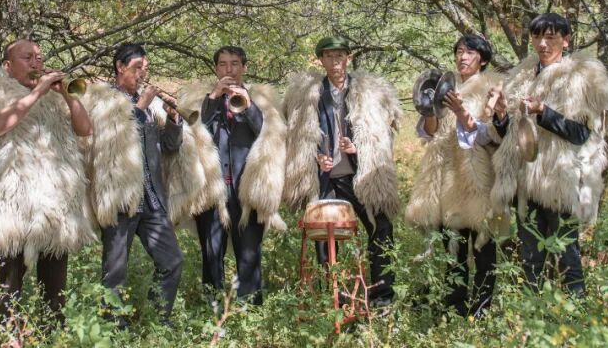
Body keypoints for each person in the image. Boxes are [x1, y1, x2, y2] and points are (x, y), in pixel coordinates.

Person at [0, 40, 95, 328]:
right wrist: (37, 92)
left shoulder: (54, 99)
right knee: (7, 285)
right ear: (8, 66)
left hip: (53, 203)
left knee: (55, 286)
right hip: (10, 203)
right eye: (27, 57)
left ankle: (52, 333)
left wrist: (67, 96)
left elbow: (85, 129)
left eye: (39, 58)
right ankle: (6, 335)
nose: (35, 63)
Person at [490, 13, 608, 296]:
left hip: (562, 180)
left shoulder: (579, 78)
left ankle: (576, 310)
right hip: (526, 181)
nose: (543, 44)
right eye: (537, 37)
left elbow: (581, 134)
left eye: (550, 37)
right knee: (530, 257)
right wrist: (500, 115)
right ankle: (531, 311)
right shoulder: (522, 76)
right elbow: (509, 134)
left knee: (567, 255)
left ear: (566, 40)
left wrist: (543, 112)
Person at [82, 43, 199, 325]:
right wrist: (141, 106)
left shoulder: (149, 107)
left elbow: (170, 146)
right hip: (120, 197)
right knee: (115, 270)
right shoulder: (104, 100)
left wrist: (173, 120)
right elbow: (111, 140)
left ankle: (158, 320)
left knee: (172, 261)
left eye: (144, 69)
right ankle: (114, 327)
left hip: (151, 198)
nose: (141, 74)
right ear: (120, 67)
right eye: (136, 68)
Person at [283, 36, 401, 306]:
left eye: (340, 55)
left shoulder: (368, 93)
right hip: (324, 178)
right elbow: (297, 136)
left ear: (348, 58)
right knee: (324, 237)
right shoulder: (308, 95)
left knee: (381, 227)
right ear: (321, 60)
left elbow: (384, 131)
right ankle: (335, 297)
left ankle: (382, 296)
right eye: (329, 56)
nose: (335, 61)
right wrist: (315, 157)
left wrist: (358, 148)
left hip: (360, 175)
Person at [406, 34, 507, 316]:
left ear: (482, 59)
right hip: (448, 176)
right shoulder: (447, 87)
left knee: (483, 244)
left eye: (470, 52)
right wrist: (430, 107)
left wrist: (461, 111)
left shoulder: (492, 87)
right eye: (460, 51)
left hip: (478, 175)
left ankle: (482, 308)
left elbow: (493, 133)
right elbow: (430, 132)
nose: (463, 57)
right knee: (454, 247)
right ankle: (455, 306)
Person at [179, 46, 287, 306]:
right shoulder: (202, 100)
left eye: (235, 64)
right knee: (211, 253)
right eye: (223, 64)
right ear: (216, 68)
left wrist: (248, 105)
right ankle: (212, 308)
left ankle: (251, 308)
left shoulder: (261, 100)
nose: (229, 70)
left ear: (244, 68)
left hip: (247, 191)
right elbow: (194, 132)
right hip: (211, 191)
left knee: (249, 255)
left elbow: (268, 133)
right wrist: (214, 98)